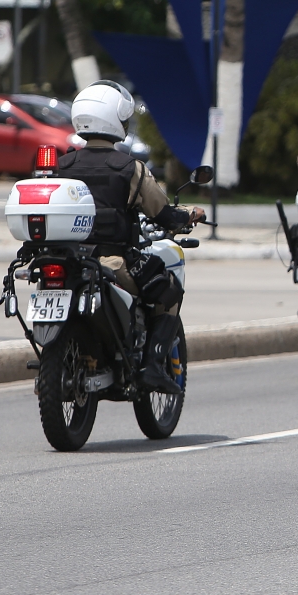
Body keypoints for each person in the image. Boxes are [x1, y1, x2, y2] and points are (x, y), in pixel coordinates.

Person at [57, 81, 205, 394]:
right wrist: (188, 215)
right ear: (116, 120)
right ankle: (152, 367)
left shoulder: (62, 165)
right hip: (112, 261)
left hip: (67, 260)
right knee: (168, 291)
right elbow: (162, 213)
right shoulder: (128, 168)